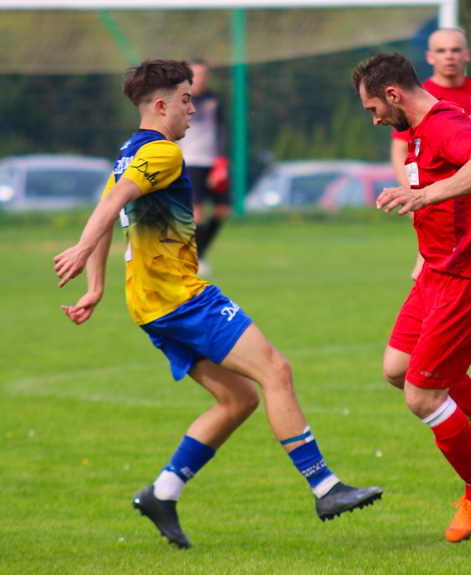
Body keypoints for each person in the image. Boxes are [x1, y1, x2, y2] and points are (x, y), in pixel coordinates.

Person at [54, 59, 382, 550]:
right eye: (186, 99)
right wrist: (82, 254)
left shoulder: (130, 150)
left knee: (239, 398)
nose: (192, 108)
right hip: (181, 298)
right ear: (161, 105)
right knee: (276, 370)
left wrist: (97, 287)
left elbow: (107, 210)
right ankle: (325, 488)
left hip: (149, 304)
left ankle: (162, 493)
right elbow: (108, 208)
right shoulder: (161, 154)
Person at [351, 52, 471, 543]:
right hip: (435, 273)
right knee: (396, 369)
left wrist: (424, 196)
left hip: (470, 278)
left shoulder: (444, 123)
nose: (374, 119)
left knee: (422, 393)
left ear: (393, 94)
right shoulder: (414, 133)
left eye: (373, 108)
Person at [390, 28, 471, 288]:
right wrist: (414, 198)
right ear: (429, 57)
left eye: (455, 50)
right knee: (438, 280)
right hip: (437, 206)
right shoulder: (418, 94)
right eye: (441, 51)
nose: (449, 56)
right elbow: (400, 154)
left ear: (467, 54)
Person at [177, 60, 229, 275]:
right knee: (197, 212)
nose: (200, 78)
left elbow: (222, 129)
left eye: (204, 74)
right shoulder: (178, 99)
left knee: (222, 209)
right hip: (190, 162)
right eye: (195, 74)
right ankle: (197, 259)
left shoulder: (214, 99)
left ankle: (201, 252)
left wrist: (222, 161)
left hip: (212, 162)